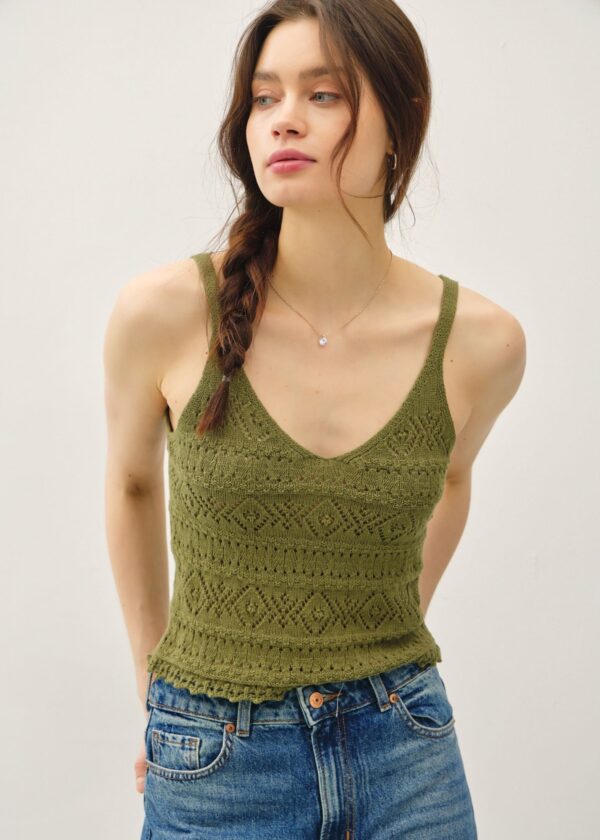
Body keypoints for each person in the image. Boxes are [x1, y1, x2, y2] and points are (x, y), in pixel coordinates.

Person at [103, 1, 526, 837]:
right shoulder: (165, 312)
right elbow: (130, 484)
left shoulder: (481, 343)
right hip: (216, 759)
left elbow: (450, 477)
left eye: (322, 94)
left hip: (407, 749)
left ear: (402, 119)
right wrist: (155, 687)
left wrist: (380, 618)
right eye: (265, 97)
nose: (284, 120)